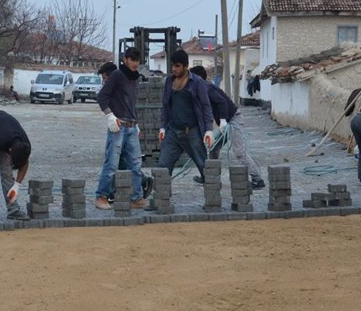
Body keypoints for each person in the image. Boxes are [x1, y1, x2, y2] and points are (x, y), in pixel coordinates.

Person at [190, 65, 265, 190]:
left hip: (233, 120)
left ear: (198, 78)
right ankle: (210, 177)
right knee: (213, 148)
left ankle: (258, 179)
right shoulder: (202, 89)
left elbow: (222, 102)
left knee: (239, 152)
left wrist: (224, 120)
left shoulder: (208, 88)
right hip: (225, 123)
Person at [94, 47, 148, 210]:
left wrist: (136, 123)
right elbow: (102, 96)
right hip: (118, 126)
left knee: (136, 164)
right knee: (111, 163)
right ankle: (101, 196)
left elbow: (130, 103)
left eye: (137, 60)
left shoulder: (134, 78)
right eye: (131, 59)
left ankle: (136, 197)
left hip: (131, 127)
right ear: (125, 59)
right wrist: (110, 115)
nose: (134, 63)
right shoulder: (117, 75)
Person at [157, 49, 215, 183]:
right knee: (163, 167)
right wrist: (163, 127)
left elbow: (206, 106)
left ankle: (212, 199)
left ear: (185, 65)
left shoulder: (197, 82)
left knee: (204, 167)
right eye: (172, 65)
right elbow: (166, 105)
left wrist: (209, 129)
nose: (174, 69)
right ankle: (162, 199)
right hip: (173, 131)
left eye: (177, 66)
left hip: (192, 131)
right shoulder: (169, 81)